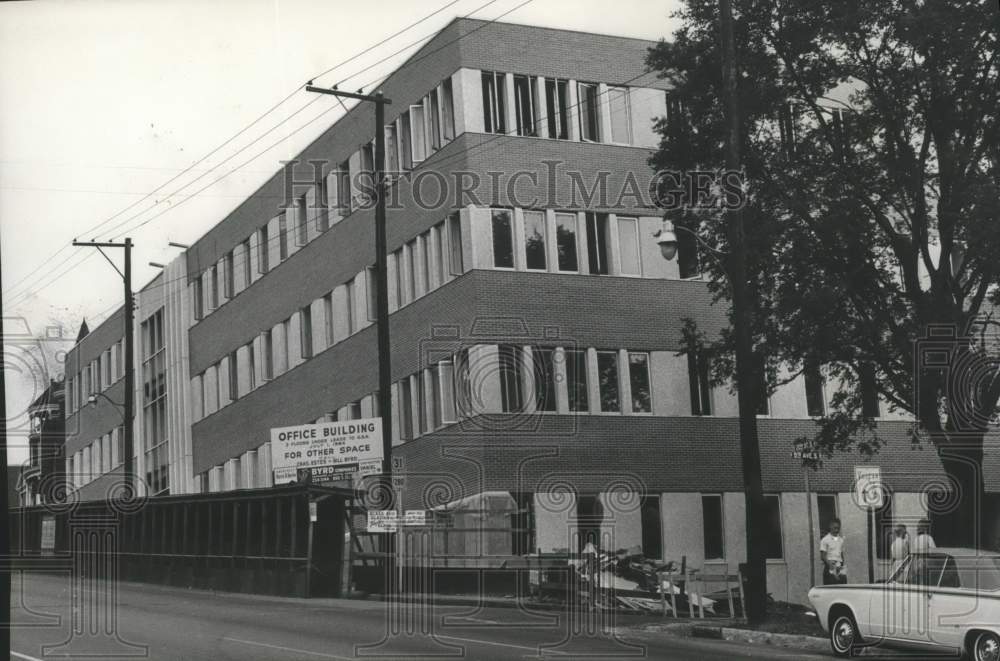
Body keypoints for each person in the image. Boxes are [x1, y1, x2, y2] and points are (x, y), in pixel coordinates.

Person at [820, 518, 848, 585]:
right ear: (830, 527)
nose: (836, 530)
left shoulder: (841, 540)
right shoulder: (825, 540)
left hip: (839, 566)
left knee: (843, 585)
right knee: (831, 587)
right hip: (830, 566)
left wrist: (842, 567)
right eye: (835, 528)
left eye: (838, 528)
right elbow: (823, 556)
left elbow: (841, 555)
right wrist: (830, 565)